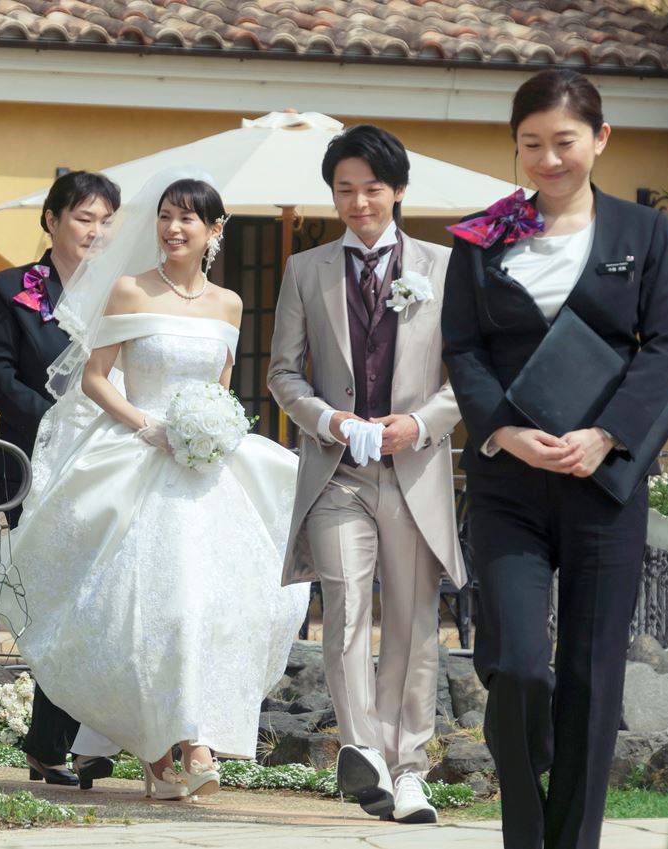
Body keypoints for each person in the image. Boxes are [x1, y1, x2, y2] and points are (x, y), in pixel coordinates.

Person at [0, 169, 309, 801]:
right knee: (149, 609)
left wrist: (214, 429)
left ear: (215, 230)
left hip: (206, 470)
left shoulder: (229, 304)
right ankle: (171, 750)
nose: (172, 227)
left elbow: (220, 388)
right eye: (165, 215)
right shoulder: (130, 290)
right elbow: (95, 379)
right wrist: (148, 426)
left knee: (210, 605)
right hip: (140, 455)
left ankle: (187, 743)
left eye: (187, 217)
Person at [440, 69, 668, 849]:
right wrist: (505, 432)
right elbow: (463, 347)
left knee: (590, 673)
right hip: (508, 481)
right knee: (518, 664)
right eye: (532, 144)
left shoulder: (642, 233)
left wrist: (606, 434)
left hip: (603, 482)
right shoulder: (482, 236)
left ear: (600, 139)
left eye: (565, 142)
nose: (548, 159)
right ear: (515, 147)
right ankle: (527, 819)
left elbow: (666, 345)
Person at [268, 124, 465, 825]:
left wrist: (422, 423)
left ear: (398, 190)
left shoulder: (445, 268)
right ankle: (365, 751)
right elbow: (283, 373)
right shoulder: (305, 270)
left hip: (414, 474)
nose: (358, 203)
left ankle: (410, 769)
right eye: (344, 189)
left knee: (411, 623)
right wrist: (327, 419)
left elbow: (469, 375)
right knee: (346, 608)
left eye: (371, 189)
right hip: (337, 475)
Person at [0, 170, 121, 788]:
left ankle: (80, 742)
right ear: (52, 221)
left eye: (107, 220)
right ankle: (56, 744)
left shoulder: (124, 290)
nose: (97, 231)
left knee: (104, 596)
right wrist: (59, 425)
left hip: (108, 462)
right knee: (54, 598)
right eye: (85, 218)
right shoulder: (10, 290)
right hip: (34, 462)